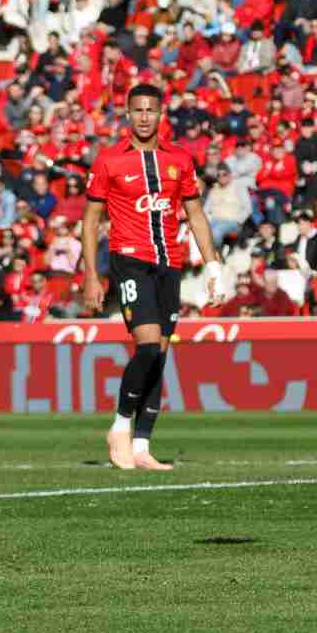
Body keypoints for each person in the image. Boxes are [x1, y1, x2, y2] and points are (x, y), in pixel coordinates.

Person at [80, 83, 223, 471]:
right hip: (129, 260)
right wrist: (91, 275)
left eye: (151, 110)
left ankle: (141, 446)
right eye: (138, 110)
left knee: (160, 355)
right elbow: (90, 221)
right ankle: (120, 427)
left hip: (169, 264)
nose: (144, 117)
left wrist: (213, 265)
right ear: (127, 114)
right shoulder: (108, 160)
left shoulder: (179, 158)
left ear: (161, 115)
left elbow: (195, 215)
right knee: (146, 347)